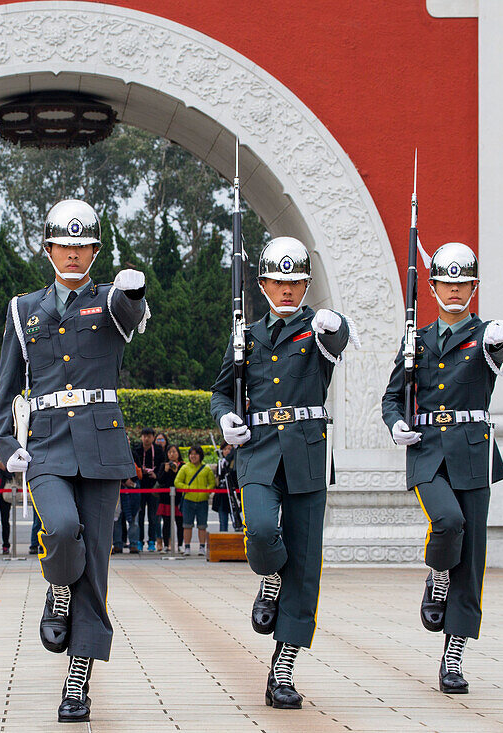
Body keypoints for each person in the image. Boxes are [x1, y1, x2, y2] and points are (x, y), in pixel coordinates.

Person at [0, 199, 149, 723]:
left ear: (96, 251)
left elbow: (133, 314)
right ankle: (57, 586)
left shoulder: (111, 301)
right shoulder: (22, 309)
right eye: (66, 245)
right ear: (48, 247)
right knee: (59, 530)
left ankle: (78, 678)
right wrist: (4, 443)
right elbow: (7, 383)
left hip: (102, 446)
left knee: (97, 566)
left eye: (84, 247)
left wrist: (134, 290)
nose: (74, 254)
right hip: (47, 443)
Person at [210, 236, 356, 709]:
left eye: (296, 282)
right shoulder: (246, 336)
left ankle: (284, 666)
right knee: (261, 533)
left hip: (307, 453)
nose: (287, 289)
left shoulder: (318, 327)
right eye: (278, 280)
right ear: (263, 283)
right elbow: (220, 392)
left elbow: (338, 338)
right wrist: (225, 417)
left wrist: (335, 325)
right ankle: (269, 577)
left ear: (307, 284)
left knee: (306, 565)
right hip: (258, 452)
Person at [381, 242, 503, 695]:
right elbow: (390, 397)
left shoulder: (487, 336)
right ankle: (437, 574)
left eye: (464, 283)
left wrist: (501, 341)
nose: (455, 289)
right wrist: (396, 423)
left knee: (473, 555)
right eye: (447, 282)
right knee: (448, 521)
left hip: (474, 453)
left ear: (474, 287)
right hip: (427, 450)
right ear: (434, 285)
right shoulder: (415, 340)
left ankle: (454, 653)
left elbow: (498, 355)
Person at [174, 445, 215, 555]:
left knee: (202, 526)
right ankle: (187, 547)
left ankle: (202, 547)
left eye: (195, 454)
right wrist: (188, 488)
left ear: (200, 455)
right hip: (188, 500)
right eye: (191, 454)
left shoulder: (206, 469)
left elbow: (212, 483)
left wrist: (206, 491)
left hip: (202, 501)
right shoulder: (185, 468)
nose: (193, 456)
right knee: (187, 525)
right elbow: (177, 482)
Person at [132, 427, 166, 551]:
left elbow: (162, 466)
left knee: (153, 516)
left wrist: (156, 474)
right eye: (144, 436)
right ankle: (139, 540)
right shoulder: (136, 450)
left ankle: (152, 540)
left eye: (149, 436)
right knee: (140, 515)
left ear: (153, 437)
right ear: (141, 437)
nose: (146, 439)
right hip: (140, 485)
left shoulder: (158, 451)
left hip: (154, 486)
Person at [156, 444, 183, 552]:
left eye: (174, 452)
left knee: (180, 523)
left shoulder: (182, 466)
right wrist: (166, 470)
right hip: (165, 498)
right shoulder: (163, 465)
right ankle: (166, 545)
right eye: (170, 452)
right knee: (166, 523)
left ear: (178, 453)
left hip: (178, 498)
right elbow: (160, 480)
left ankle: (180, 545)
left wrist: (176, 471)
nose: (172, 454)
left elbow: (181, 480)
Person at [214, 443, 238, 532]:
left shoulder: (235, 462)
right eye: (225, 449)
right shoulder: (221, 463)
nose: (227, 451)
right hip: (222, 497)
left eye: (229, 449)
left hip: (234, 496)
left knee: (237, 522)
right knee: (223, 524)